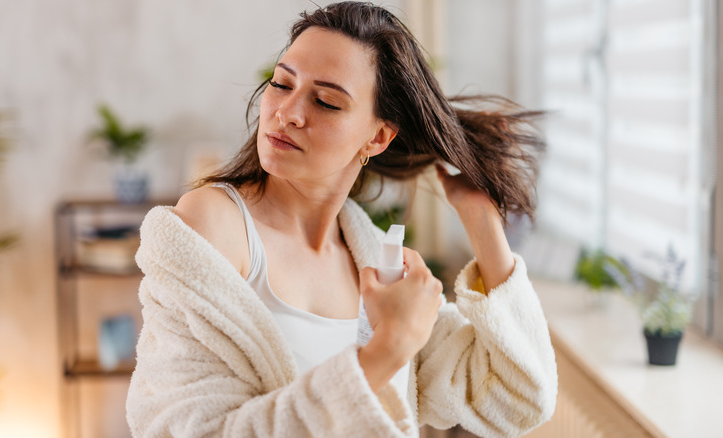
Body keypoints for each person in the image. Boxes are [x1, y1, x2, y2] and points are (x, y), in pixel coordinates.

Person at [126, 2, 557, 437]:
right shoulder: (214, 227)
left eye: (326, 102)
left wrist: (479, 217)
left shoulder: (369, 256)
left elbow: (518, 397)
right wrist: (387, 351)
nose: (287, 112)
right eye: (281, 83)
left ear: (377, 136)